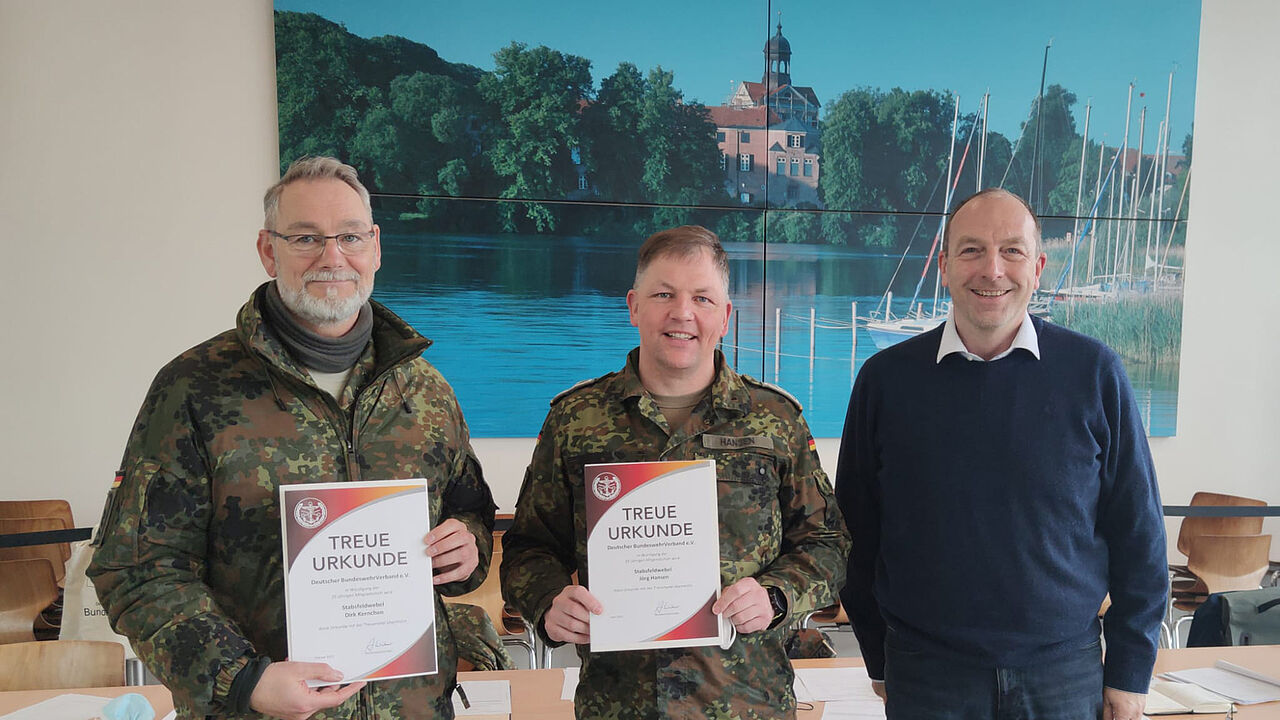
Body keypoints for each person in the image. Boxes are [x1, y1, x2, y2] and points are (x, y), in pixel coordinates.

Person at [89, 156, 497, 720]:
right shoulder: (194, 388)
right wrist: (243, 680)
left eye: (350, 237)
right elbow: (136, 569)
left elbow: (468, 509)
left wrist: (468, 548)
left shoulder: (425, 390)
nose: (333, 257)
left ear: (374, 246)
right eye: (306, 238)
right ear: (267, 249)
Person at [837, 188, 1167, 720]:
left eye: (1012, 251)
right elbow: (856, 535)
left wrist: (1130, 671)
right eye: (971, 251)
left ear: (1037, 268)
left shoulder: (1095, 374)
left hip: (1065, 677)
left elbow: (1140, 536)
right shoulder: (885, 381)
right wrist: (878, 658)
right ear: (944, 266)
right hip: (926, 677)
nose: (992, 270)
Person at [501, 225, 849, 719]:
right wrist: (547, 602)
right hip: (617, 705)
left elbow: (827, 542)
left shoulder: (775, 420)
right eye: (663, 294)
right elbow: (527, 547)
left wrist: (777, 595)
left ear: (725, 316)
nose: (683, 313)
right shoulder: (576, 420)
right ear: (633, 306)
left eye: (703, 298)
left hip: (747, 705)